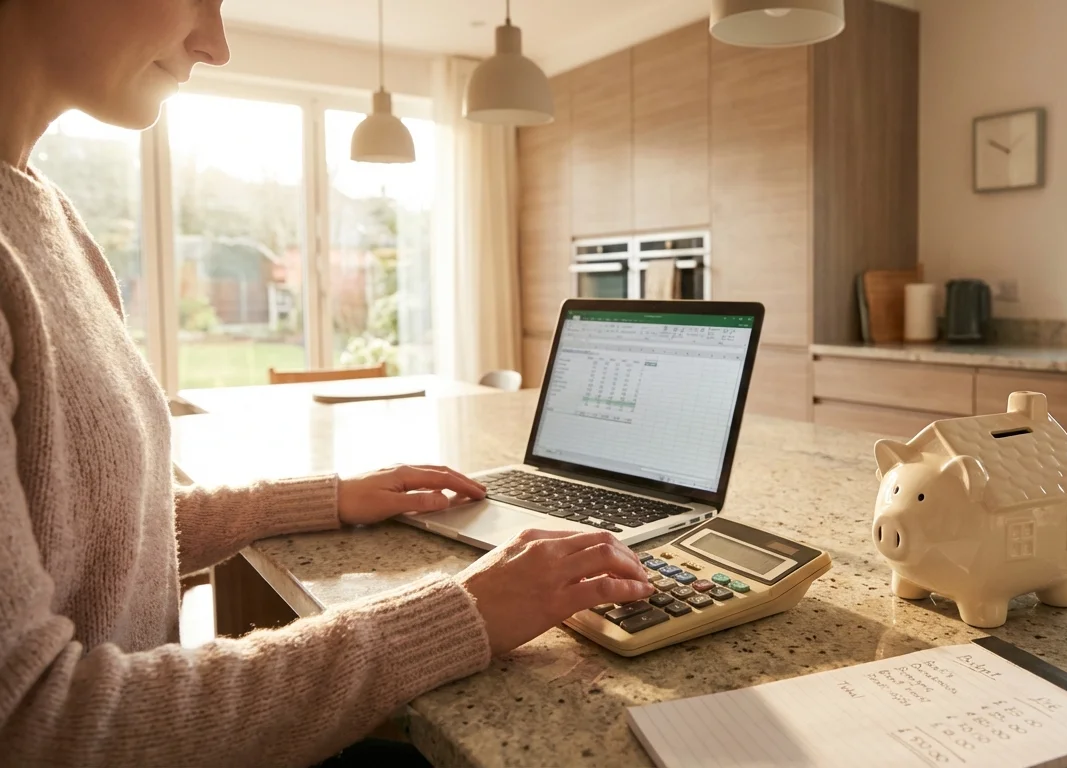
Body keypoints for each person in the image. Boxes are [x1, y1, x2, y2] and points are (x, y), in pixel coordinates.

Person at [0, 1, 658, 766]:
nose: (214, 43)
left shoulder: (50, 217)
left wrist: (325, 498)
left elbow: (98, 522)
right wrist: (460, 612)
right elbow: (29, 724)